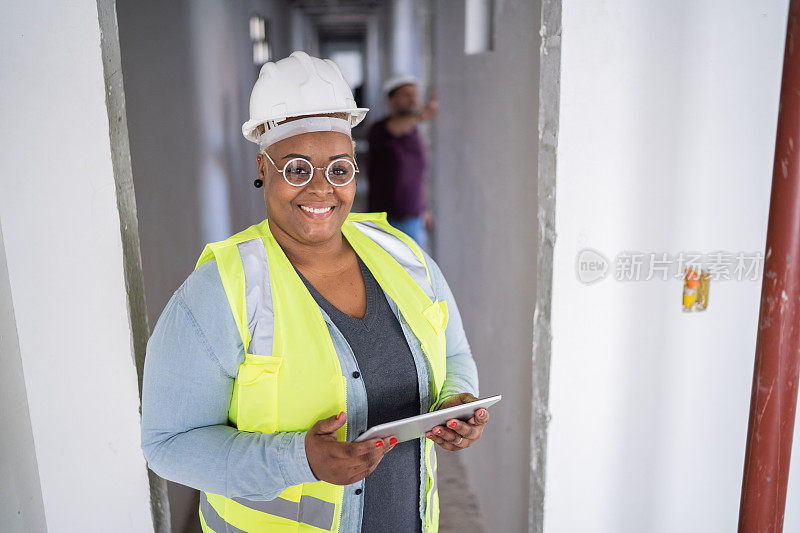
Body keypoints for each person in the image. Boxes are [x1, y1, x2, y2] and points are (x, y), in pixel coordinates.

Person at [141, 51, 490, 533]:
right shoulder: (220, 290)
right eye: (297, 168)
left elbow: (454, 354)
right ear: (263, 167)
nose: (321, 189)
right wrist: (297, 460)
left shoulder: (402, 255)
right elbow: (168, 444)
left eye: (339, 168)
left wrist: (454, 403)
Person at [366, 75, 438, 248]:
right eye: (406, 94)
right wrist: (422, 115)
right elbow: (395, 128)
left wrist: (425, 209)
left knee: (413, 272)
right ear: (392, 100)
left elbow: (419, 176)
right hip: (385, 219)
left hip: (414, 218)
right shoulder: (379, 130)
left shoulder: (415, 134)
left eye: (415, 94)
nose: (413, 98)